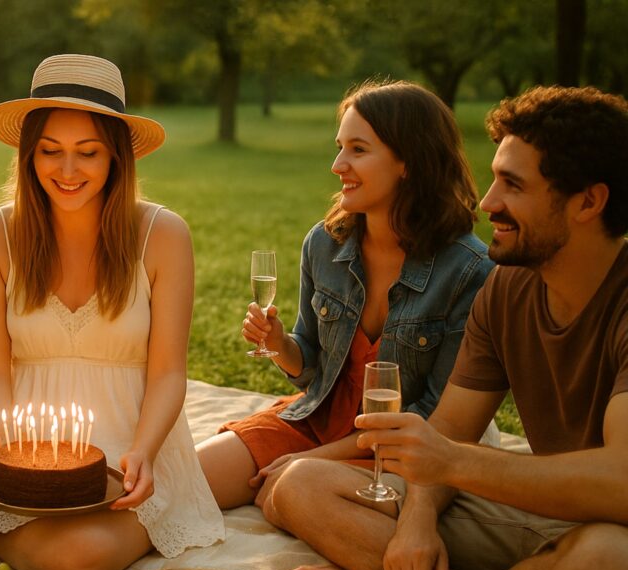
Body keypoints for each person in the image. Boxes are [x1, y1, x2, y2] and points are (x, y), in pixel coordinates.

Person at [276, 86, 628, 570]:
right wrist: (416, 521)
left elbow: (619, 482)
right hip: (541, 519)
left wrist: (449, 465)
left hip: (611, 535)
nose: (487, 201)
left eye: (514, 186)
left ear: (588, 202)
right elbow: (451, 431)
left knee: (611, 563)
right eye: (494, 179)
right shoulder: (509, 287)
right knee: (301, 483)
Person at [0, 54, 225, 570]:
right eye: (49, 151)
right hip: (20, 436)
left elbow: (169, 371)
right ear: (28, 154)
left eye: (88, 152)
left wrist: (145, 451)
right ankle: (5, 523)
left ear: (116, 158)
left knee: (76, 559)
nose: (67, 170)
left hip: (127, 438)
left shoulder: (163, 235)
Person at [195, 80, 494, 515]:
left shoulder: (469, 272)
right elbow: (311, 368)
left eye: (358, 149)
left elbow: (435, 419)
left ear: (408, 160)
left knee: (294, 497)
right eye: (340, 147)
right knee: (184, 481)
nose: (337, 165)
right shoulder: (325, 244)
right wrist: (280, 344)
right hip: (317, 420)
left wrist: (309, 463)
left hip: (400, 454)